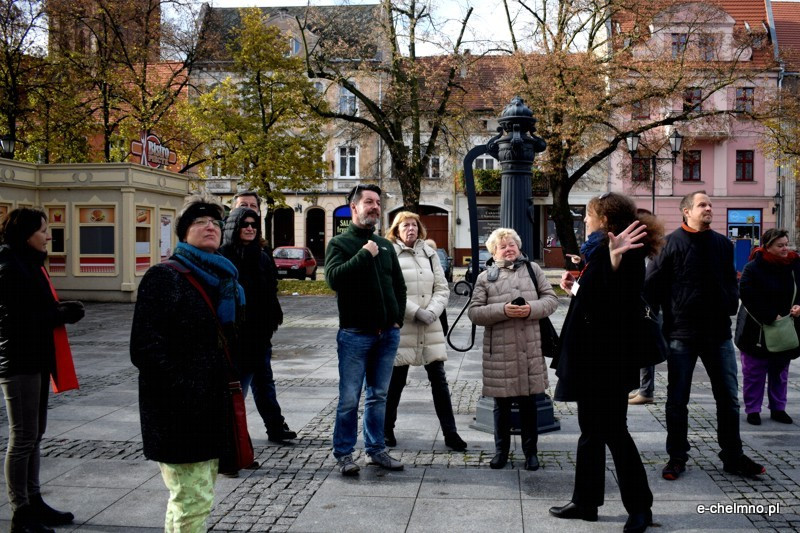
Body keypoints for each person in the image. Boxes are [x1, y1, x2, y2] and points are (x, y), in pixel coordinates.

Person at [131, 193, 245, 531]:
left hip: (209, 407)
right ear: (183, 232)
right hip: (177, 412)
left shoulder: (224, 279)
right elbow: (144, 349)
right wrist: (188, 388)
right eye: (200, 222)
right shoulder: (164, 277)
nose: (210, 227)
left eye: (215, 222)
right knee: (193, 500)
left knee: (194, 496)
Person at [549, 192, 659, 533]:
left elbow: (617, 305)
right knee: (590, 433)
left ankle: (640, 508)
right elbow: (595, 298)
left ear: (606, 219)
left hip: (609, 359)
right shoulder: (600, 250)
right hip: (592, 356)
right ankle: (586, 501)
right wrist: (577, 287)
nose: (584, 219)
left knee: (614, 431)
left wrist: (608, 265)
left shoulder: (623, 250)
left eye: (588, 214)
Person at [645, 190, 765, 481]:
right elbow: (650, 286)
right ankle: (677, 457)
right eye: (702, 205)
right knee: (677, 399)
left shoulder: (723, 244)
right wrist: (669, 312)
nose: (709, 208)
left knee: (728, 398)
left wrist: (729, 301)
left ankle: (732, 456)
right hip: (681, 334)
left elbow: (730, 280)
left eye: (710, 204)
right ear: (687, 211)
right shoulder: (669, 244)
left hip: (718, 334)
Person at [0, 208, 84, 533]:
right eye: (44, 230)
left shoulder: (28, 263)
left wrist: (60, 310)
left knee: (34, 436)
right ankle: (21, 512)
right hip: (18, 363)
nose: (49, 236)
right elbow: (18, 322)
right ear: (26, 234)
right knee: (22, 438)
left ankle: (34, 501)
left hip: (34, 359)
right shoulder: (9, 268)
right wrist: (60, 315)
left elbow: (37, 310)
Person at [325, 184, 407, 476]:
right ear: (354, 208)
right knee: (349, 398)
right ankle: (345, 454)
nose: (374, 207)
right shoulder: (340, 244)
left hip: (387, 334)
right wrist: (363, 255)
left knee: (378, 395)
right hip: (355, 334)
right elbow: (334, 279)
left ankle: (376, 450)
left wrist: (396, 318)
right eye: (368, 202)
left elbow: (398, 285)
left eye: (377, 203)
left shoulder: (385, 245)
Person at [468, 227, 558, 471]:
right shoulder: (485, 277)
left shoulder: (533, 269)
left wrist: (530, 309)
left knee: (529, 404)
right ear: (494, 251)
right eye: (502, 246)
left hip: (530, 347)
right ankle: (501, 452)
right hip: (499, 350)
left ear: (519, 247)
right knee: (502, 405)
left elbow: (551, 300)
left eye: (512, 245)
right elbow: (474, 313)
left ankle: (531, 453)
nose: (508, 249)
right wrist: (502, 311)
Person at [383, 212, 466, 451]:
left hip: (430, 326)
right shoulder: (390, 254)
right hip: (403, 326)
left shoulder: (430, 254)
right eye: (405, 225)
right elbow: (389, 290)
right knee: (396, 381)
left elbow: (442, 288)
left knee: (439, 381)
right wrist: (415, 312)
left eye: (414, 225)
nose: (410, 229)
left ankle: (451, 434)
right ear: (396, 230)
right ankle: (387, 429)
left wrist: (431, 311)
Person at [224, 195, 296, 444]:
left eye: (254, 223)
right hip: (234, 337)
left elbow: (270, 290)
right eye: (245, 222)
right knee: (236, 389)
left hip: (260, 334)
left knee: (264, 383)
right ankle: (232, 438)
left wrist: (270, 323)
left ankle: (275, 427)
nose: (250, 228)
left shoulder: (262, 254)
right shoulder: (224, 255)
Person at [735, 228, 799, 425]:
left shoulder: (794, 265)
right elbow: (746, 294)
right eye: (780, 245)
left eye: (786, 244)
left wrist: (798, 306)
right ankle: (753, 409)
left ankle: (778, 408)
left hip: (785, 328)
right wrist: (771, 315)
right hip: (756, 329)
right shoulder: (753, 268)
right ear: (767, 247)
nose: (785, 249)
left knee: (780, 371)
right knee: (754, 372)